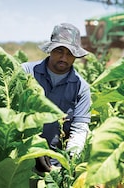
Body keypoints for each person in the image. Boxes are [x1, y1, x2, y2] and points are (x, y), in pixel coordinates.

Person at [21, 23, 91, 172]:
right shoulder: (26, 72)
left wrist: (69, 162)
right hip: (20, 160)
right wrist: (33, 148)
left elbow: (79, 128)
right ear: (51, 49)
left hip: (54, 166)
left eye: (70, 53)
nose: (64, 58)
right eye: (59, 51)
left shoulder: (81, 87)